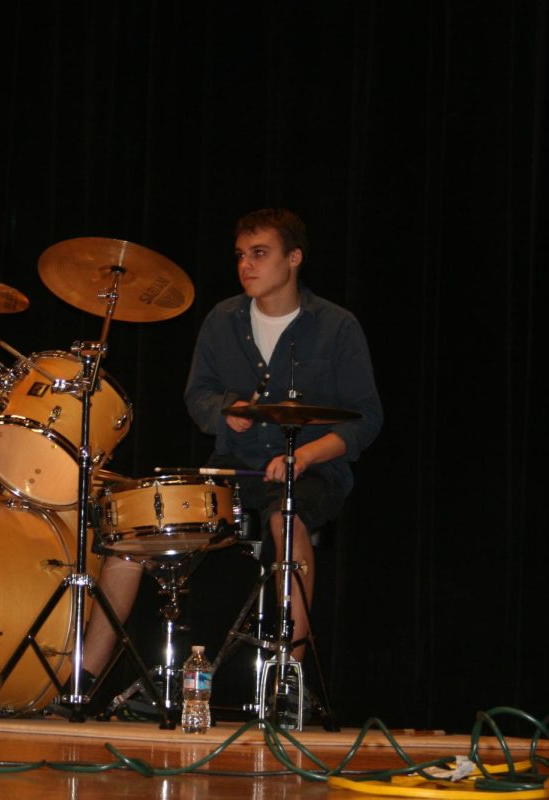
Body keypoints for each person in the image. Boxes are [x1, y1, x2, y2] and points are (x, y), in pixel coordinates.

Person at [81, 207, 382, 699]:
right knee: (134, 524)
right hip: (235, 469)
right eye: (241, 255)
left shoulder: (337, 327)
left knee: (288, 518)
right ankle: (85, 680)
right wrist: (226, 411)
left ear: (294, 259)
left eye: (259, 254)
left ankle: (288, 680)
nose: (246, 265)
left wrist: (305, 456)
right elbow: (197, 395)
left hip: (313, 470)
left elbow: (366, 418)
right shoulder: (222, 320)